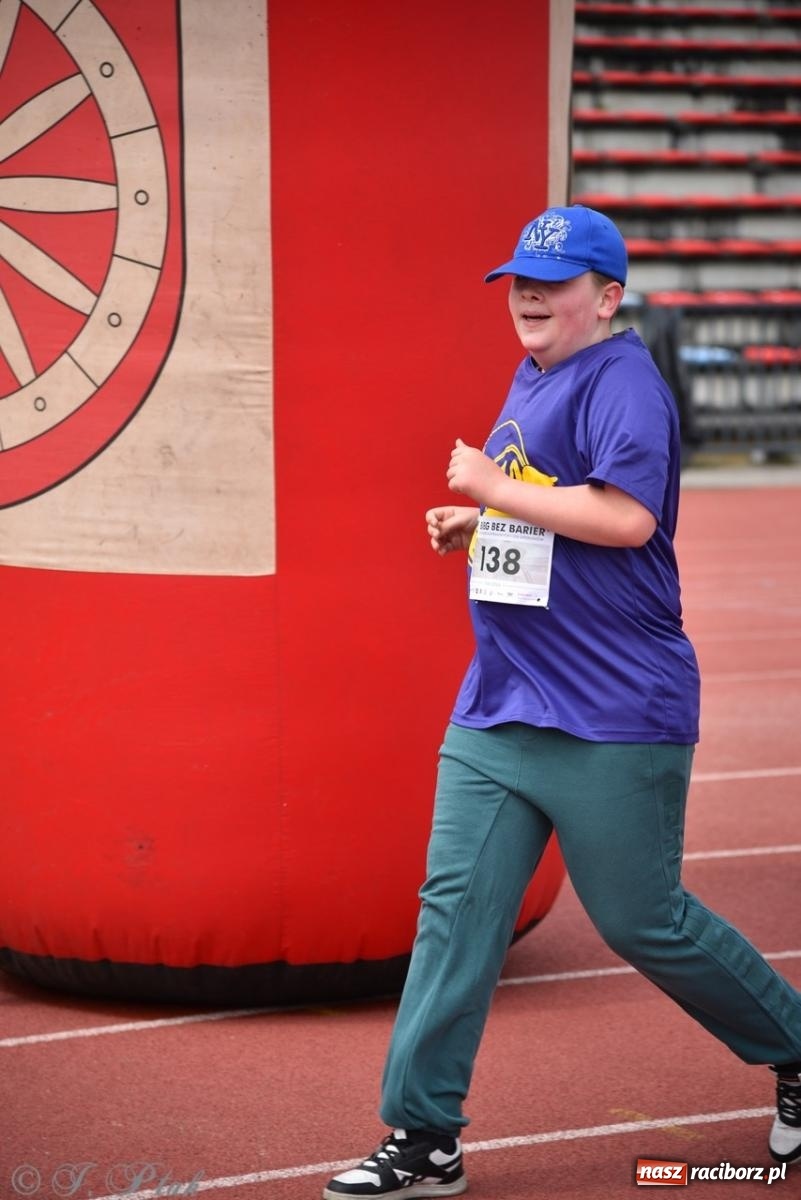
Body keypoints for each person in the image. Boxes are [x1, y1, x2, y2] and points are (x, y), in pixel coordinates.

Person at [322, 205, 801, 1200]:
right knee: (455, 912)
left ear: (608, 296)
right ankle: (424, 1138)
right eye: (520, 282)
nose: (530, 298)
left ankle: (794, 1050)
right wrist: (478, 519)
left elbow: (625, 518)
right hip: (503, 702)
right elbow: (553, 501)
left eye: (556, 282)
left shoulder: (626, 382)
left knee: (642, 920)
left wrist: (494, 486)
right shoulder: (535, 371)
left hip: (615, 708)